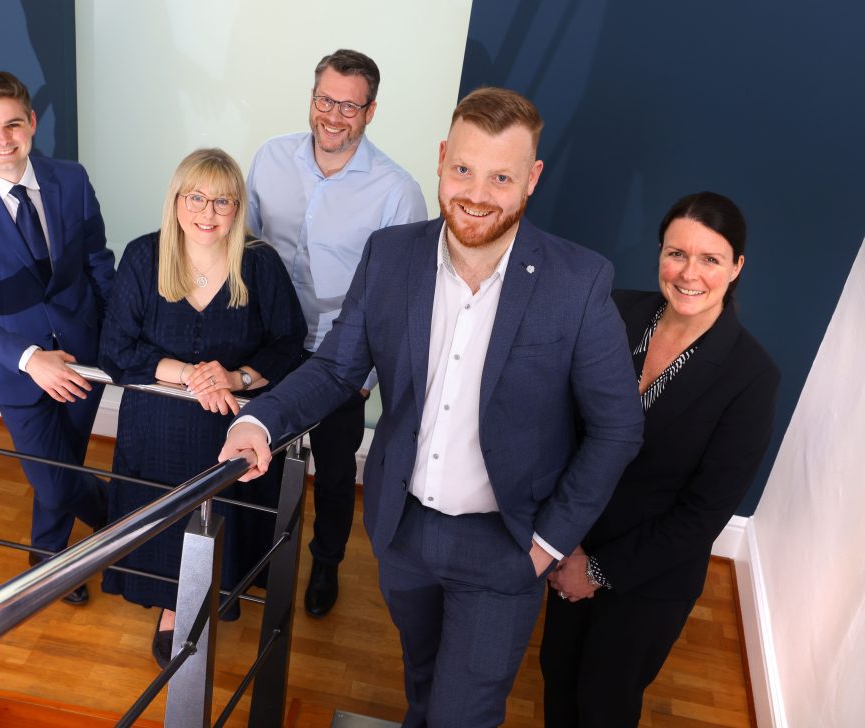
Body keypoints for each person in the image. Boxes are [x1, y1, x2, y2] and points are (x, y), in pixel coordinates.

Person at [221, 87, 645, 727]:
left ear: (530, 179)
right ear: (443, 158)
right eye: (464, 169)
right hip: (404, 532)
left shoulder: (578, 281)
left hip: (508, 543)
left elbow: (616, 428)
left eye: (502, 176)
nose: (477, 192)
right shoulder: (391, 255)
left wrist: (549, 542)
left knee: (461, 715)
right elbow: (338, 367)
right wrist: (259, 421)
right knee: (421, 682)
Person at [540, 192, 780, 727]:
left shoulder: (752, 378)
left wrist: (596, 570)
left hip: (649, 576)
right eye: (676, 253)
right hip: (570, 540)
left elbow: (703, 514)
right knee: (556, 675)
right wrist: (565, 538)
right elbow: (559, 423)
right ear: (659, 255)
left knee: (604, 701)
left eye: (710, 259)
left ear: (737, 267)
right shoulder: (616, 311)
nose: (688, 273)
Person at [98, 148, 306, 668]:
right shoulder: (145, 257)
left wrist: (233, 377)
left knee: (224, 525)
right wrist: (190, 373)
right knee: (165, 523)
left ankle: (214, 597)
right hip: (157, 428)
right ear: (176, 201)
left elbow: (288, 345)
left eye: (222, 201)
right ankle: (172, 608)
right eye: (196, 197)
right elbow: (116, 351)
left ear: (238, 209)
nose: (207, 212)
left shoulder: (259, 264)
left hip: (232, 429)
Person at [246, 48, 428, 617]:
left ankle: (326, 563)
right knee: (256, 454)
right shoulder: (270, 158)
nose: (334, 115)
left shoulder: (397, 190)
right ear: (312, 99)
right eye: (326, 100)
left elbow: (401, 295)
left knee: (332, 470)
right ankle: (252, 558)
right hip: (268, 341)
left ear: (370, 112)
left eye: (350, 106)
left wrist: (367, 374)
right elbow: (244, 251)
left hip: (341, 353)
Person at [0, 70, 115, 606]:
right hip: (18, 371)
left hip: (84, 355)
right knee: (58, 480)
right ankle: (133, 519)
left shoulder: (71, 180)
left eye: (13, 123)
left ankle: (48, 558)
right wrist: (31, 359)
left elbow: (98, 261)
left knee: (68, 462)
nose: (2, 138)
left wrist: (108, 336)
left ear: (32, 122)